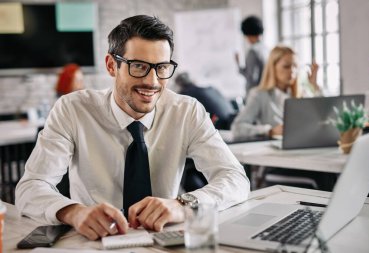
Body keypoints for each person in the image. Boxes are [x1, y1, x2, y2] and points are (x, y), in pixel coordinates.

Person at [15, 15, 250, 241]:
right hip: (93, 241)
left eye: (162, 67)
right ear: (111, 65)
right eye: (138, 66)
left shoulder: (187, 112)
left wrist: (184, 204)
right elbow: (30, 188)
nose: (153, 81)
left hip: (165, 240)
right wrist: (74, 212)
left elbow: (235, 178)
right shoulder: (72, 109)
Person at [231, 45, 320, 141]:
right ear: (273, 67)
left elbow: (324, 118)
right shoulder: (259, 94)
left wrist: (314, 86)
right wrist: (270, 131)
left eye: (295, 66)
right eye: (286, 66)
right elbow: (237, 128)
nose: (292, 71)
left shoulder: (301, 93)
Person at [235, 15, 268, 97]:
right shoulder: (266, 49)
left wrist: (238, 64)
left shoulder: (253, 51)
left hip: (255, 95)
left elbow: (252, 79)